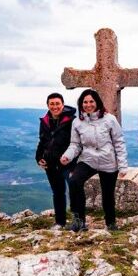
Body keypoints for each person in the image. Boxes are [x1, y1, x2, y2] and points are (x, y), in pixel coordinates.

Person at [60, 89, 129, 232]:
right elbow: (75, 144)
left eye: (91, 101)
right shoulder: (78, 122)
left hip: (107, 160)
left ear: (97, 102)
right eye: (85, 102)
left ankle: (111, 223)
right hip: (88, 159)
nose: (88, 104)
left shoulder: (109, 119)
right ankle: (79, 220)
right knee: (74, 182)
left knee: (107, 194)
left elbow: (119, 142)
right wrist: (68, 155)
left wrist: (122, 166)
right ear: (81, 104)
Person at [35, 93, 77, 228]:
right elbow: (42, 142)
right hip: (51, 164)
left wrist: (71, 159)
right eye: (52, 104)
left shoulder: (72, 121)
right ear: (48, 105)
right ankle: (60, 222)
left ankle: (78, 221)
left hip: (68, 163)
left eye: (57, 104)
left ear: (63, 105)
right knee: (58, 193)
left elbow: (76, 143)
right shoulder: (45, 121)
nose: (55, 107)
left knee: (74, 191)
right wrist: (39, 158)